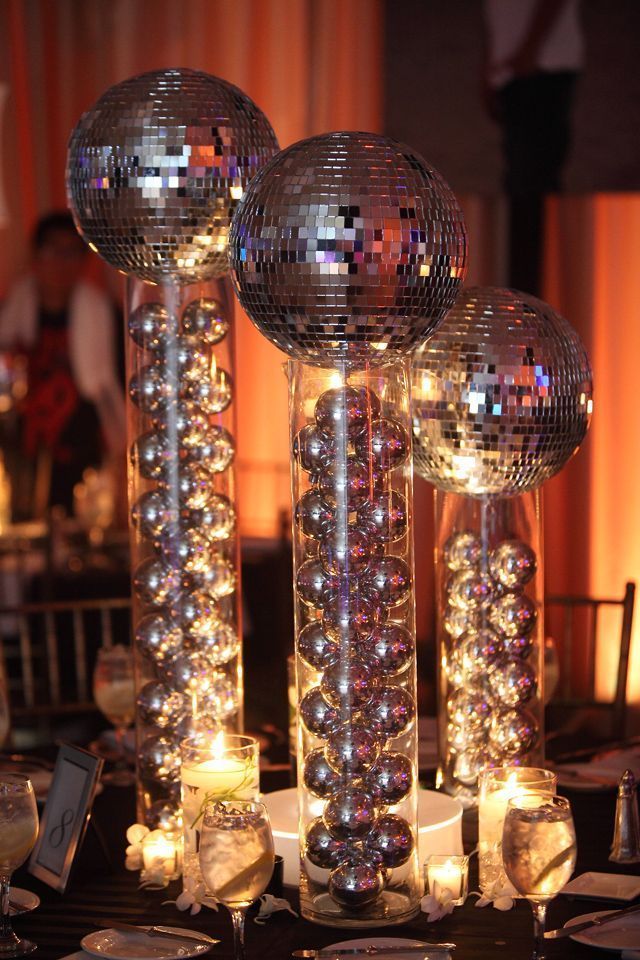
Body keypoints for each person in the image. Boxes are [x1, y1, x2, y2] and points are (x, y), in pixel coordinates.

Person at [0, 212, 125, 516]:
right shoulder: (10, 314)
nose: (61, 262)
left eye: (71, 252)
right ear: (36, 255)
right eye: (53, 250)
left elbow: (116, 386)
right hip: (20, 450)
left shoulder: (103, 314)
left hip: (84, 451)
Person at [483, 0, 584, 295]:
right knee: (520, 178)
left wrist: (529, 49)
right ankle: (525, 286)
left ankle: (538, 289)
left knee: (533, 181)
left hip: (544, 67)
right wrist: (490, 70)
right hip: (513, 69)